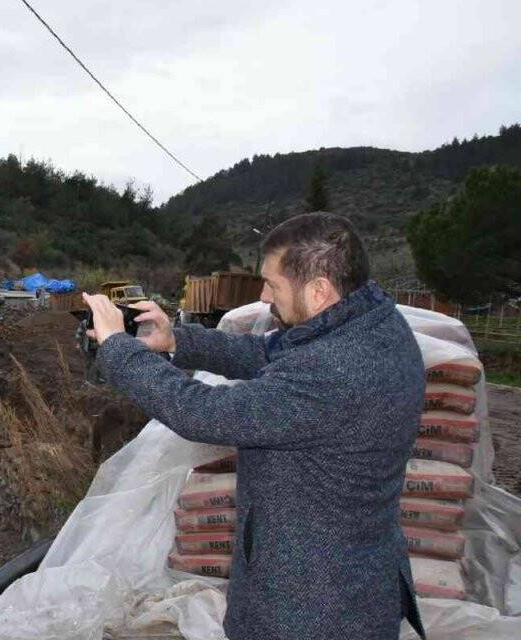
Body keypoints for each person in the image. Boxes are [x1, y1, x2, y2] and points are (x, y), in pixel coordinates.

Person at [83, 212, 425, 640]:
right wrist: (176, 340)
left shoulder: (335, 370)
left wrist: (118, 349)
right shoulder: (369, 323)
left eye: (272, 284)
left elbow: (201, 412)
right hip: (349, 575)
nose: (264, 296)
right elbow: (267, 353)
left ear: (319, 290)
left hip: (310, 607)